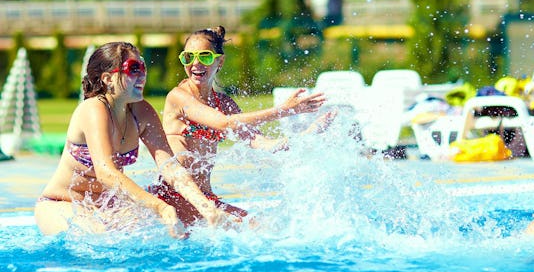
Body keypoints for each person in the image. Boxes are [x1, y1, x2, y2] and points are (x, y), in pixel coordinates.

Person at [35, 42, 234, 238]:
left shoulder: (142, 112)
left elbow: (170, 167)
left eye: (143, 67)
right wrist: (160, 207)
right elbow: (106, 173)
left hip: (107, 205)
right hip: (62, 204)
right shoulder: (93, 109)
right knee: (101, 238)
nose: (142, 75)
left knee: (160, 234)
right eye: (133, 68)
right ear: (108, 79)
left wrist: (206, 207)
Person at [152, 26, 333, 226]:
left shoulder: (224, 103)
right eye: (188, 57)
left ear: (219, 61)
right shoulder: (178, 97)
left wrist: (307, 135)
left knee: (264, 226)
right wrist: (284, 110)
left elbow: (264, 144)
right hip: (175, 196)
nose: (195, 63)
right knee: (252, 227)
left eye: (204, 56)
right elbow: (224, 123)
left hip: (205, 199)